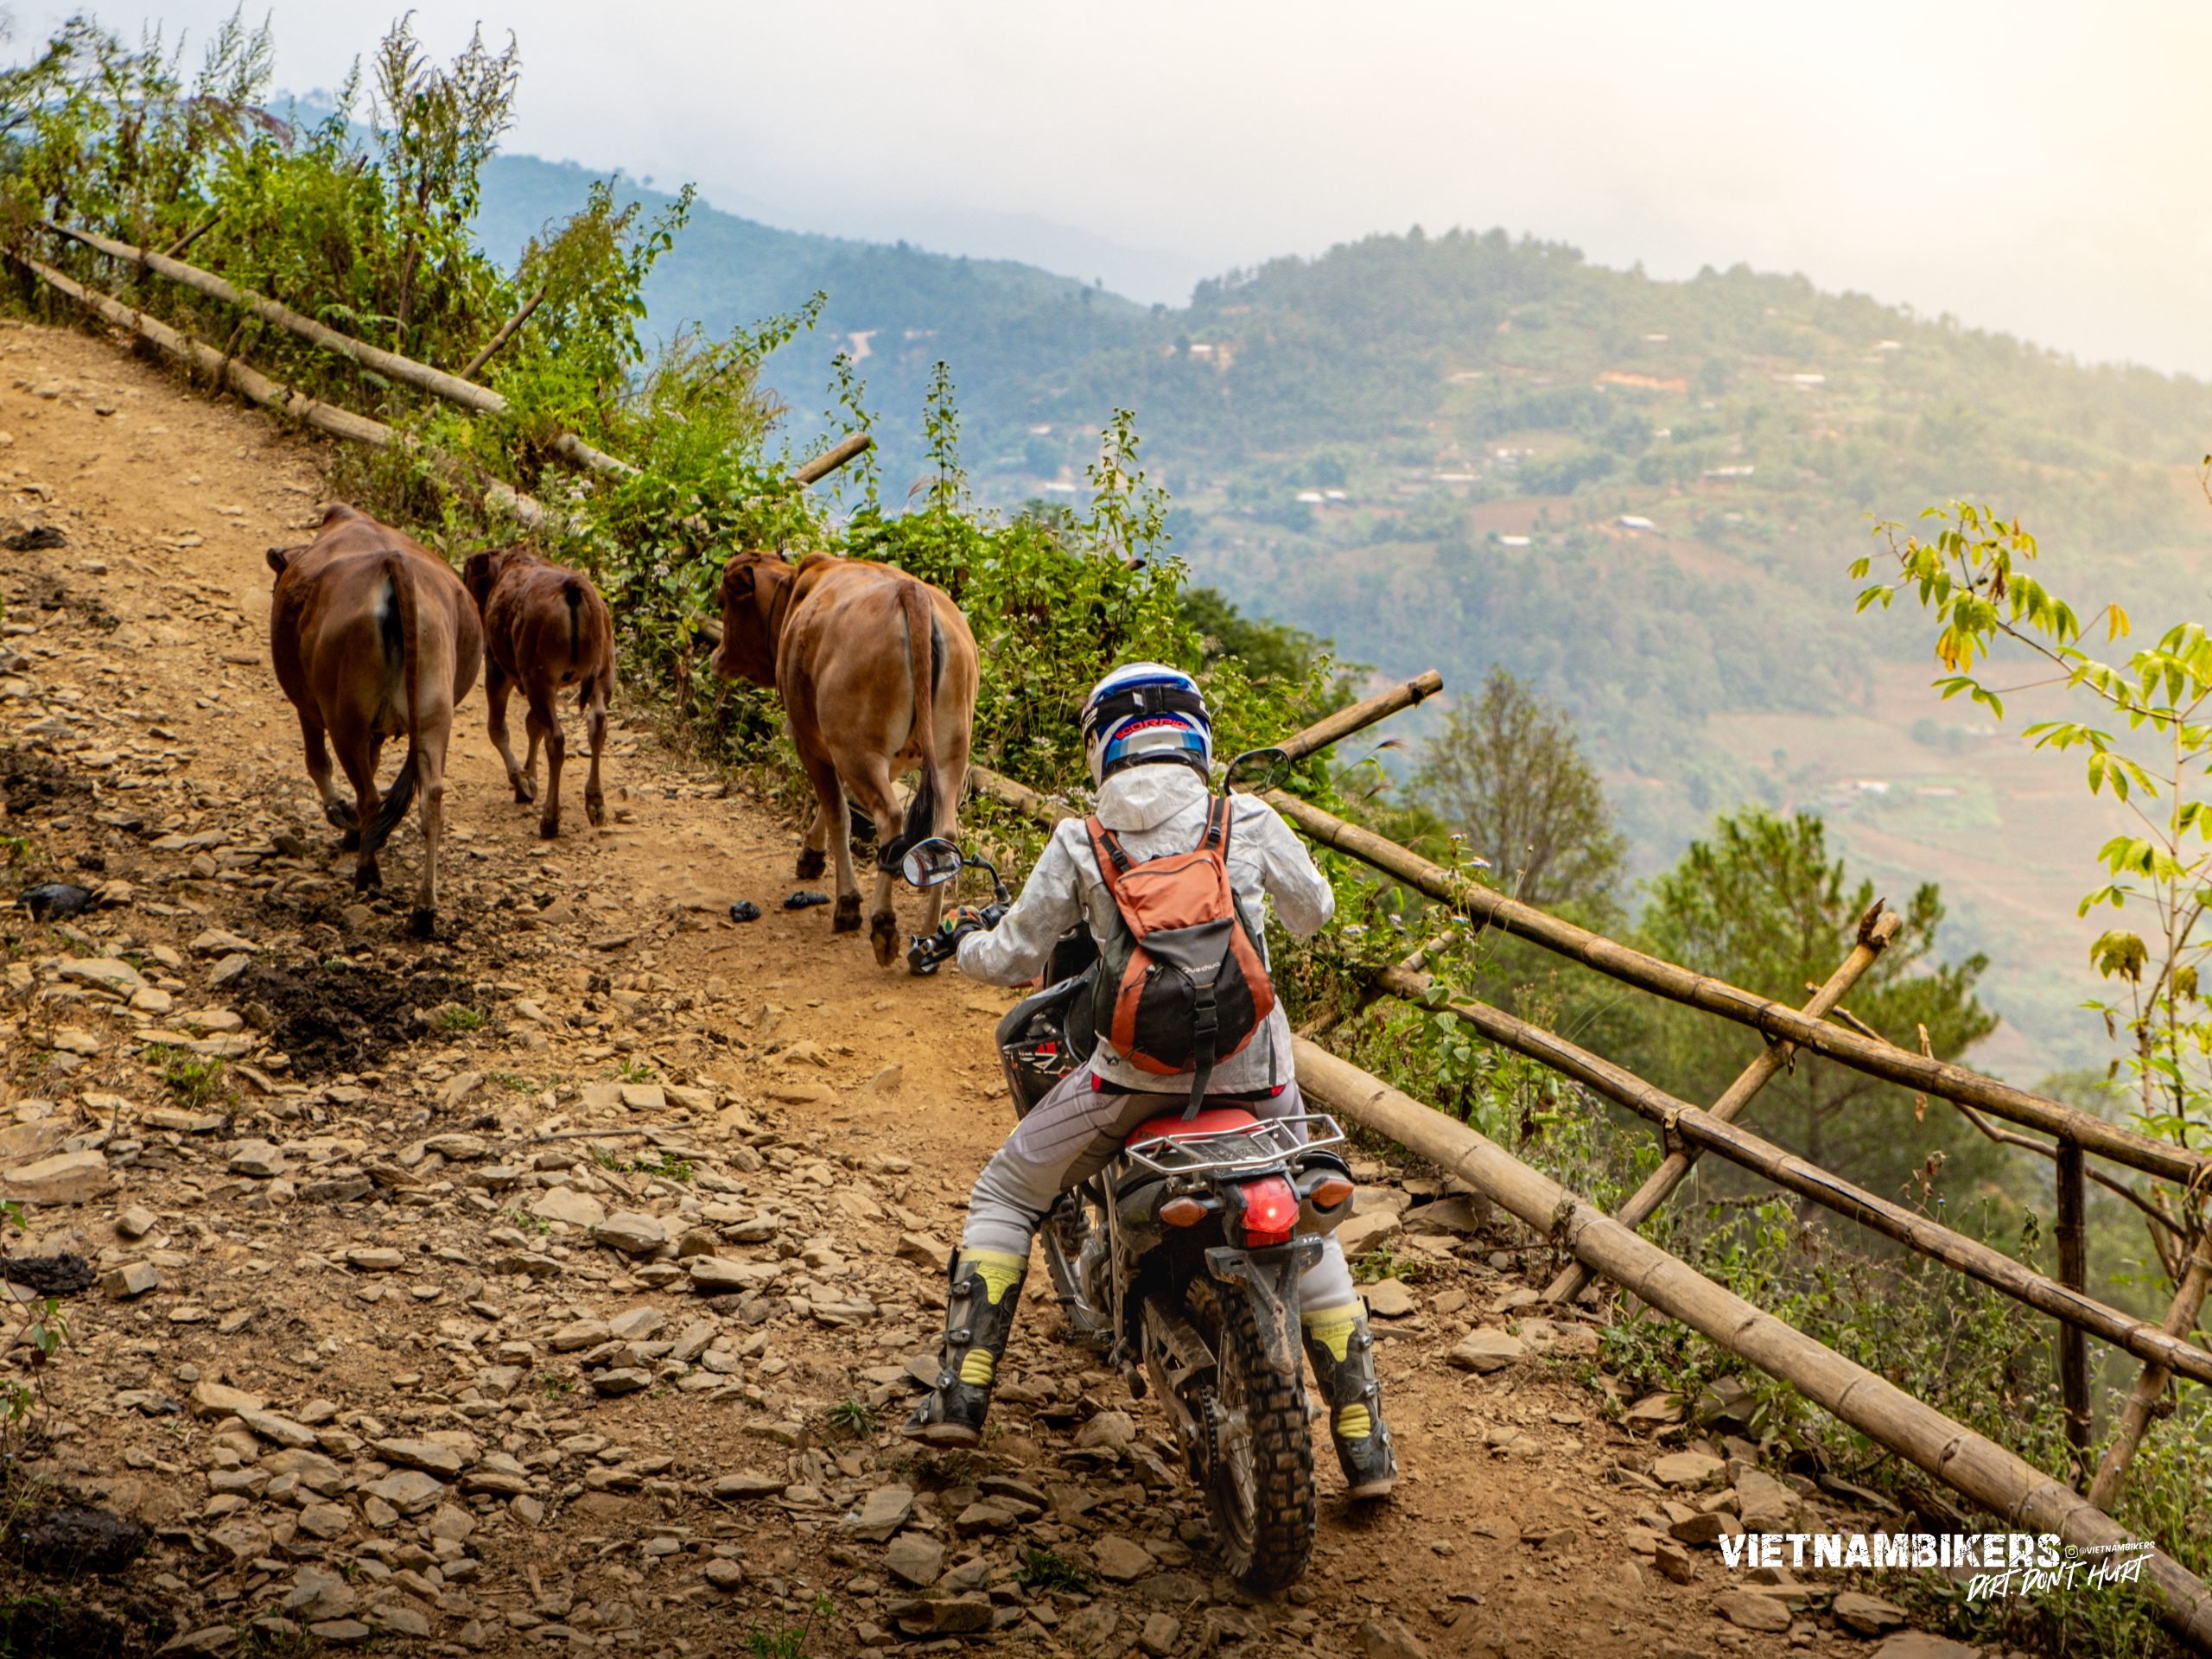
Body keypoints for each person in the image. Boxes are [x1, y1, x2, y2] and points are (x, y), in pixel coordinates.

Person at [901, 662, 1397, 1500]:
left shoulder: (1082, 840)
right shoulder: (1246, 817)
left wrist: (963, 950)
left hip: (1131, 1081)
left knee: (1005, 1191)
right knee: (1309, 1228)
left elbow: (1018, 955)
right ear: (1196, 736)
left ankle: (961, 1392)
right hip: (1262, 1082)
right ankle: (1365, 1446)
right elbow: (1315, 913)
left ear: (1103, 745)